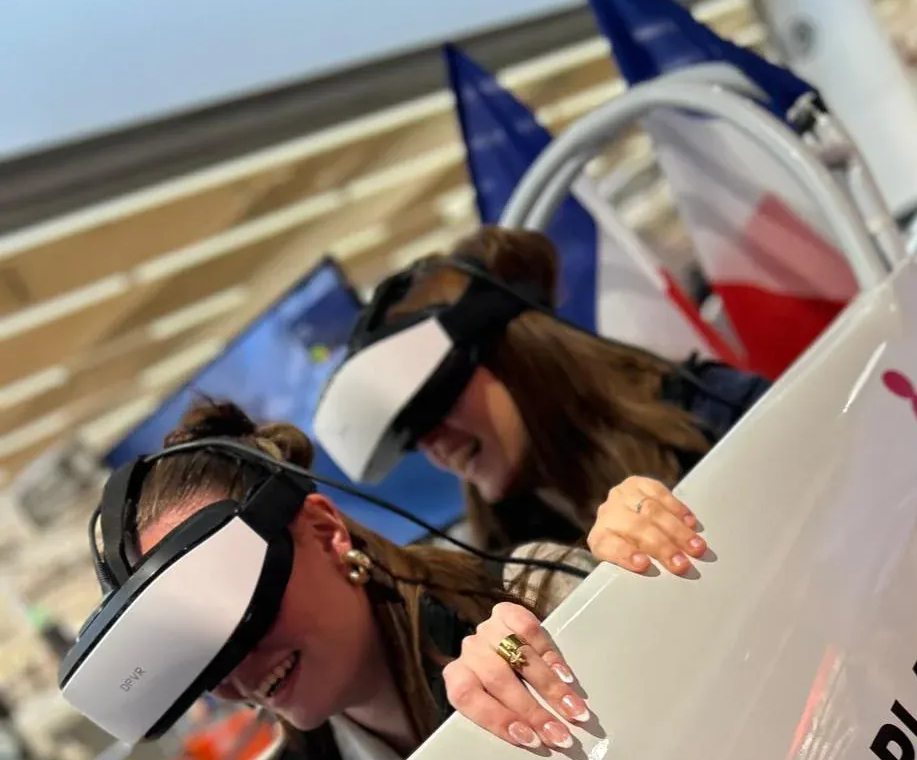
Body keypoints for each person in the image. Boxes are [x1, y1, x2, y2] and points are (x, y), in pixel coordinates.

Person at [0, 396, 698, 760]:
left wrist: (626, 595)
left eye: (241, 613)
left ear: (328, 532)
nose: (241, 677)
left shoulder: (527, 594)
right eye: (203, 665)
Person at [319, 224, 771, 575]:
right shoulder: (512, 561)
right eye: (411, 436)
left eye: (435, 403)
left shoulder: (713, 413)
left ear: (513, 355)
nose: (435, 443)